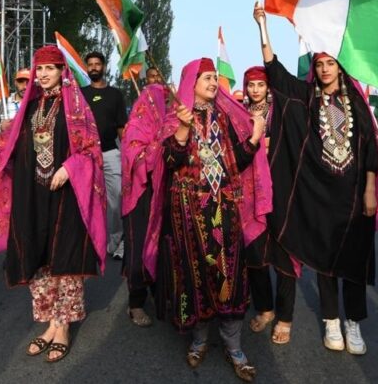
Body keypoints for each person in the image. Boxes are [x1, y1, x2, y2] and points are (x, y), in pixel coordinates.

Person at [253, 3, 378, 355]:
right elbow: (275, 73)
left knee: (356, 259)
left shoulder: (356, 103)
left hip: (356, 193)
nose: (325, 69)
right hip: (320, 195)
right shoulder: (306, 98)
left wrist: (371, 190)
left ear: (340, 68)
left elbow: (370, 149)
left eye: (330, 63)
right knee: (327, 261)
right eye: (320, 64)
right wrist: (262, 27)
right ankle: (331, 320)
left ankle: (353, 322)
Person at [0, 45, 106, 364]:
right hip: (32, 195)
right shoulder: (29, 108)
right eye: (40, 69)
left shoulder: (76, 107)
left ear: (62, 71)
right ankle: (50, 322)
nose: (44, 74)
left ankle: (63, 328)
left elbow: (91, 150)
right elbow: (5, 148)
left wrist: (69, 168)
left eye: (50, 68)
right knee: (39, 256)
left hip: (66, 195)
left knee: (65, 257)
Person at [157, 58, 267, 382]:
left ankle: (234, 347)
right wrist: (182, 128)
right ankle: (199, 340)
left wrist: (256, 136)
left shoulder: (226, 117)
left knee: (228, 274)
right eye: (207, 77)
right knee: (195, 273)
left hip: (224, 207)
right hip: (188, 211)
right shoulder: (176, 117)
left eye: (215, 77)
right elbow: (168, 161)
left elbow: (237, 163)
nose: (212, 81)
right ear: (191, 82)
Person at [120, 76, 171, 327]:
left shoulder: (169, 124)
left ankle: (159, 294)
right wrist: (157, 146)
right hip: (140, 196)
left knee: (162, 248)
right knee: (139, 248)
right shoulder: (135, 127)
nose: (166, 105)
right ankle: (135, 303)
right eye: (163, 101)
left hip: (164, 193)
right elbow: (134, 158)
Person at [240, 66, 281, 339]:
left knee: (270, 251)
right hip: (245, 186)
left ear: (268, 87)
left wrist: (265, 143)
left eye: (260, 85)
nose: (255, 90)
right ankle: (254, 301)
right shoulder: (239, 111)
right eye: (251, 85)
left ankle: (268, 309)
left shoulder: (277, 112)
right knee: (250, 247)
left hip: (275, 184)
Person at [81, 51, 128, 259]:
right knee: (87, 202)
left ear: (104, 67)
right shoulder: (79, 94)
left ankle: (117, 243)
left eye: (97, 64)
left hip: (110, 153)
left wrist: (129, 152)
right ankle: (90, 244)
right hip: (85, 156)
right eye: (89, 64)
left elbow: (121, 128)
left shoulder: (115, 95)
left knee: (118, 198)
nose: (93, 67)